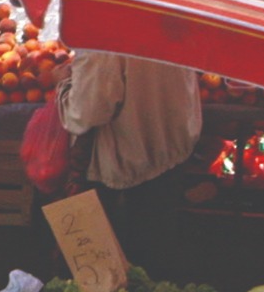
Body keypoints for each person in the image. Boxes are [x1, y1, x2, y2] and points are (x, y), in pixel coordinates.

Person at [54, 52, 203, 192]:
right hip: (171, 148)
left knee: (119, 218)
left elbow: (87, 113)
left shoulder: (101, 37)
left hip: (126, 164)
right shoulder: (175, 24)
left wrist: (63, 84)